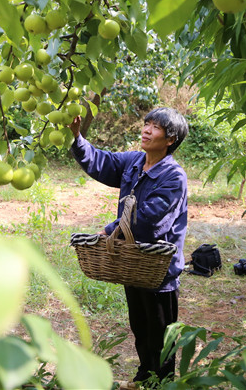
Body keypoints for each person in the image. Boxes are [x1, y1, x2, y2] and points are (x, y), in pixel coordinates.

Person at [68, 107, 189, 384]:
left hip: (158, 268)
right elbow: (101, 161)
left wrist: (110, 230)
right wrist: (77, 138)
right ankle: (144, 376)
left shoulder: (173, 176)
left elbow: (149, 220)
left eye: (155, 127)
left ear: (170, 139)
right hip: (133, 263)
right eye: (146, 124)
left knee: (161, 332)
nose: (146, 130)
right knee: (141, 327)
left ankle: (163, 381)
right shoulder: (135, 162)